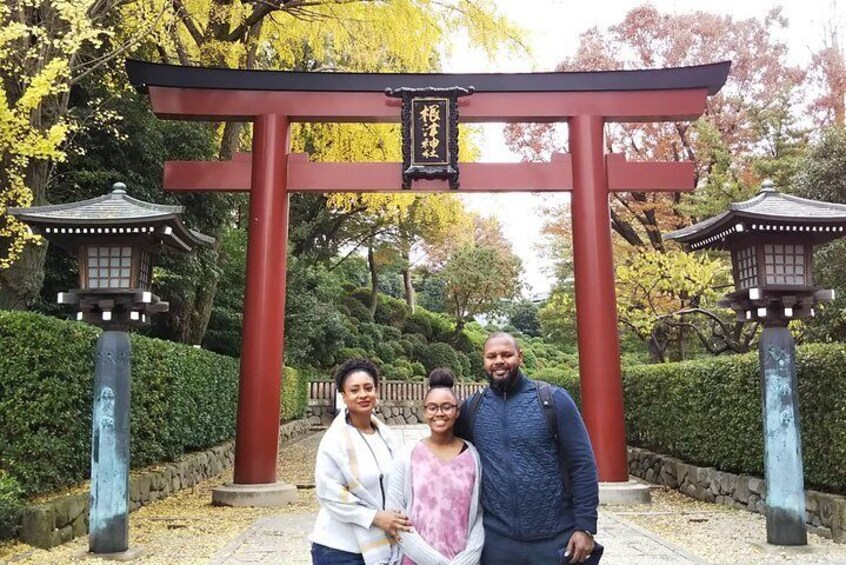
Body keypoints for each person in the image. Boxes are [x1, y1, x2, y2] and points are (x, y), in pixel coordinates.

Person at [455, 332, 601, 565]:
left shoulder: (553, 401)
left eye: (506, 354)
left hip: (554, 537)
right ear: (483, 361)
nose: (499, 361)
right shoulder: (473, 408)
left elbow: (582, 464)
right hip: (497, 541)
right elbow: (447, 453)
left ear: (520, 357)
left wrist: (585, 526)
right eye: (491, 356)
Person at [310, 359, 412, 565]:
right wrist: (374, 517)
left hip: (381, 545)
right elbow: (328, 493)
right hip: (339, 549)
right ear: (344, 396)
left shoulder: (386, 436)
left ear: (377, 391)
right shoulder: (334, 441)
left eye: (368, 388)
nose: (363, 395)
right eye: (354, 390)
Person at [386, 368, 484, 565]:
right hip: (415, 561)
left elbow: (479, 515)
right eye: (432, 407)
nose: (439, 413)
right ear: (424, 412)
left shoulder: (473, 456)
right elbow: (396, 519)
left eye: (447, 407)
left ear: (457, 411)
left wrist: (466, 560)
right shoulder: (407, 456)